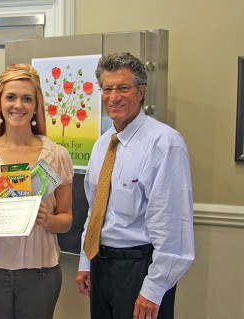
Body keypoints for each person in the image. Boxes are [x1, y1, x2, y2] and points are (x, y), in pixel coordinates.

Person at [75, 52, 195, 319]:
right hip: (101, 266)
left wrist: (154, 289)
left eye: (123, 88)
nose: (114, 97)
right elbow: (94, 212)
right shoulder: (102, 145)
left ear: (141, 92)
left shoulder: (164, 143)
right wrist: (86, 261)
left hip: (140, 269)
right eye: (107, 89)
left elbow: (172, 225)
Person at [0, 63, 74, 319]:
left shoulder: (57, 156)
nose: (18, 105)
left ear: (36, 106)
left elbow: (66, 219)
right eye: (10, 97)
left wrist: (49, 219)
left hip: (40, 275)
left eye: (27, 98)